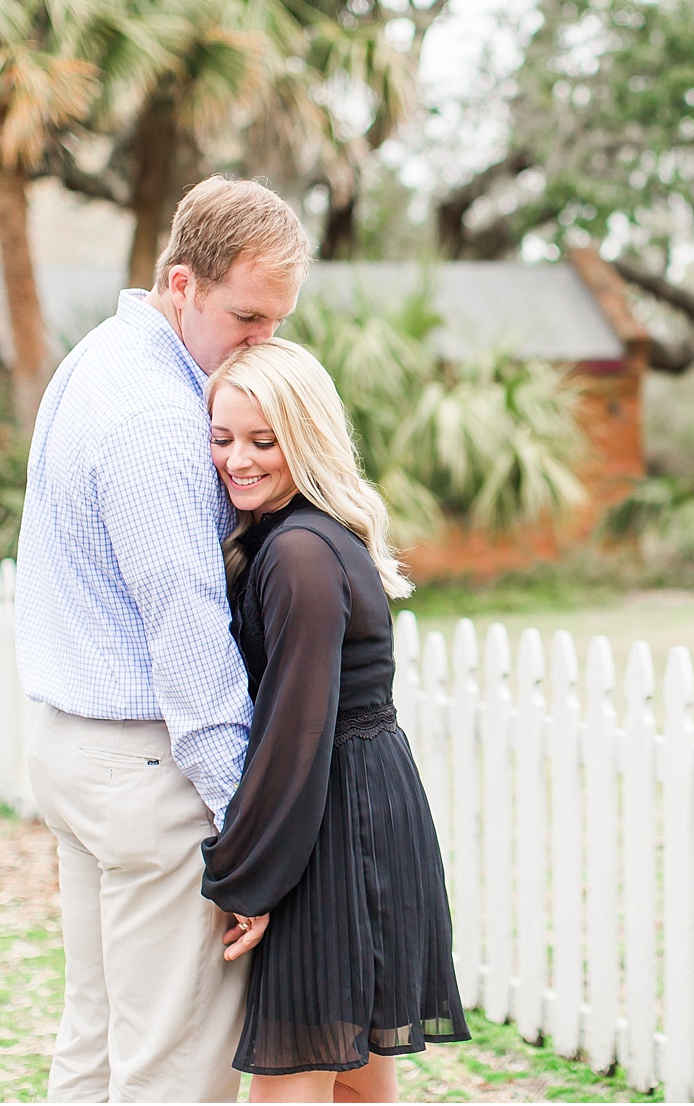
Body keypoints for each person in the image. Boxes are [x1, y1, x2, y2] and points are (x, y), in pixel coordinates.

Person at [15, 177, 307, 1102]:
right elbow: (188, 640)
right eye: (248, 317)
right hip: (150, 770)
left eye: (278, 322)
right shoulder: (154, 421)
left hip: (74, 749)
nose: (266, 343)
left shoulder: (98, 358)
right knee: (173, 1072)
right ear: (182, 283)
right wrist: (248, 835)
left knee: (98, 1046)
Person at [200, 338, 469, 1103]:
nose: (239, 461)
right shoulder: (306, 535)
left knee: (298, 1078)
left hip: (331, 825)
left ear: (307, 437)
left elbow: (296, 729)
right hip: (361, 806)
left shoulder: (299, 554)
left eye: (263, 440)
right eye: (222, 439)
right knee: (355, 1082)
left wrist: (246, 877)